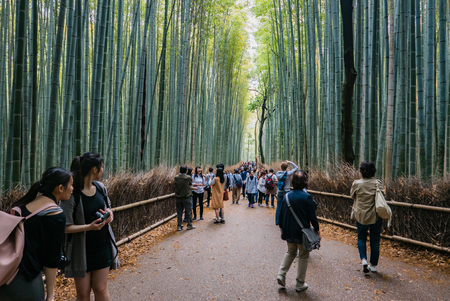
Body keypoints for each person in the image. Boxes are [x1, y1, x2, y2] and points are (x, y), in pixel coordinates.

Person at [0, 168, 73, 301]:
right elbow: (52, 259)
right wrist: (51, 295)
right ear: (60, 188)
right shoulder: (55, 214)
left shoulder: (24, 204)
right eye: (71, 184)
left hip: (5, 274)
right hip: (25, 279)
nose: (72, 188)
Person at [59, 152, 118, 301]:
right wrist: (88, 227)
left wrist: (109, 214)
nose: (102, 170)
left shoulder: (100, 188)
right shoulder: (72, 194)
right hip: (81, 250)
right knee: (83, 294)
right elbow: (65, 227)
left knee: (101, 288)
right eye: (102, 167)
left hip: (102, 246)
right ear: (94, 169)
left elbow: (108, 207)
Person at [277, 171, 321, 292]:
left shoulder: (286, 196)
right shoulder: (307, 197)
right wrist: (317, 230)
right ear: (305, 182)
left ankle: (281, 274)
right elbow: (313, 216)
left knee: (290, 252)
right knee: (303, 255)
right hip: (302, 232)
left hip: (289, 231)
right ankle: (300, 283)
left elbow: (281, 214)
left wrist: (282, 229)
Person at [350, 161, 383, 274]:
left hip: (361, 215)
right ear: (374, 172)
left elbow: (352, 195)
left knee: (361, 238)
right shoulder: (378, 183)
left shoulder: (357, 183)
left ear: (361, 172)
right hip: (375, 216)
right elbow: (382, 198)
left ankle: (364, 260)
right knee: (375, 241)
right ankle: (373, 265)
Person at [275, 161, 299, 225]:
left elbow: (280, 173)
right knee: (287, 207)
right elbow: (296, 167)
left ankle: (277, 221)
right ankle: (286, 221)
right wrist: (290, 162)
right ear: (287, 167)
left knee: (278, 206)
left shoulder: (277, 173)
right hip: (287, 192)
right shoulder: (288, 173)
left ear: (281, 167)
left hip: (280, 191)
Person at [174, 166, 195, 231]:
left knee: (179, 212)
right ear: (186, 171)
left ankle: (179, 226)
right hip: (186, 197)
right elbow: (190, 184)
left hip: (178, 197)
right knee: (188, 211)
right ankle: (189, 225)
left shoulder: (176, 177)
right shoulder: (188, 178)